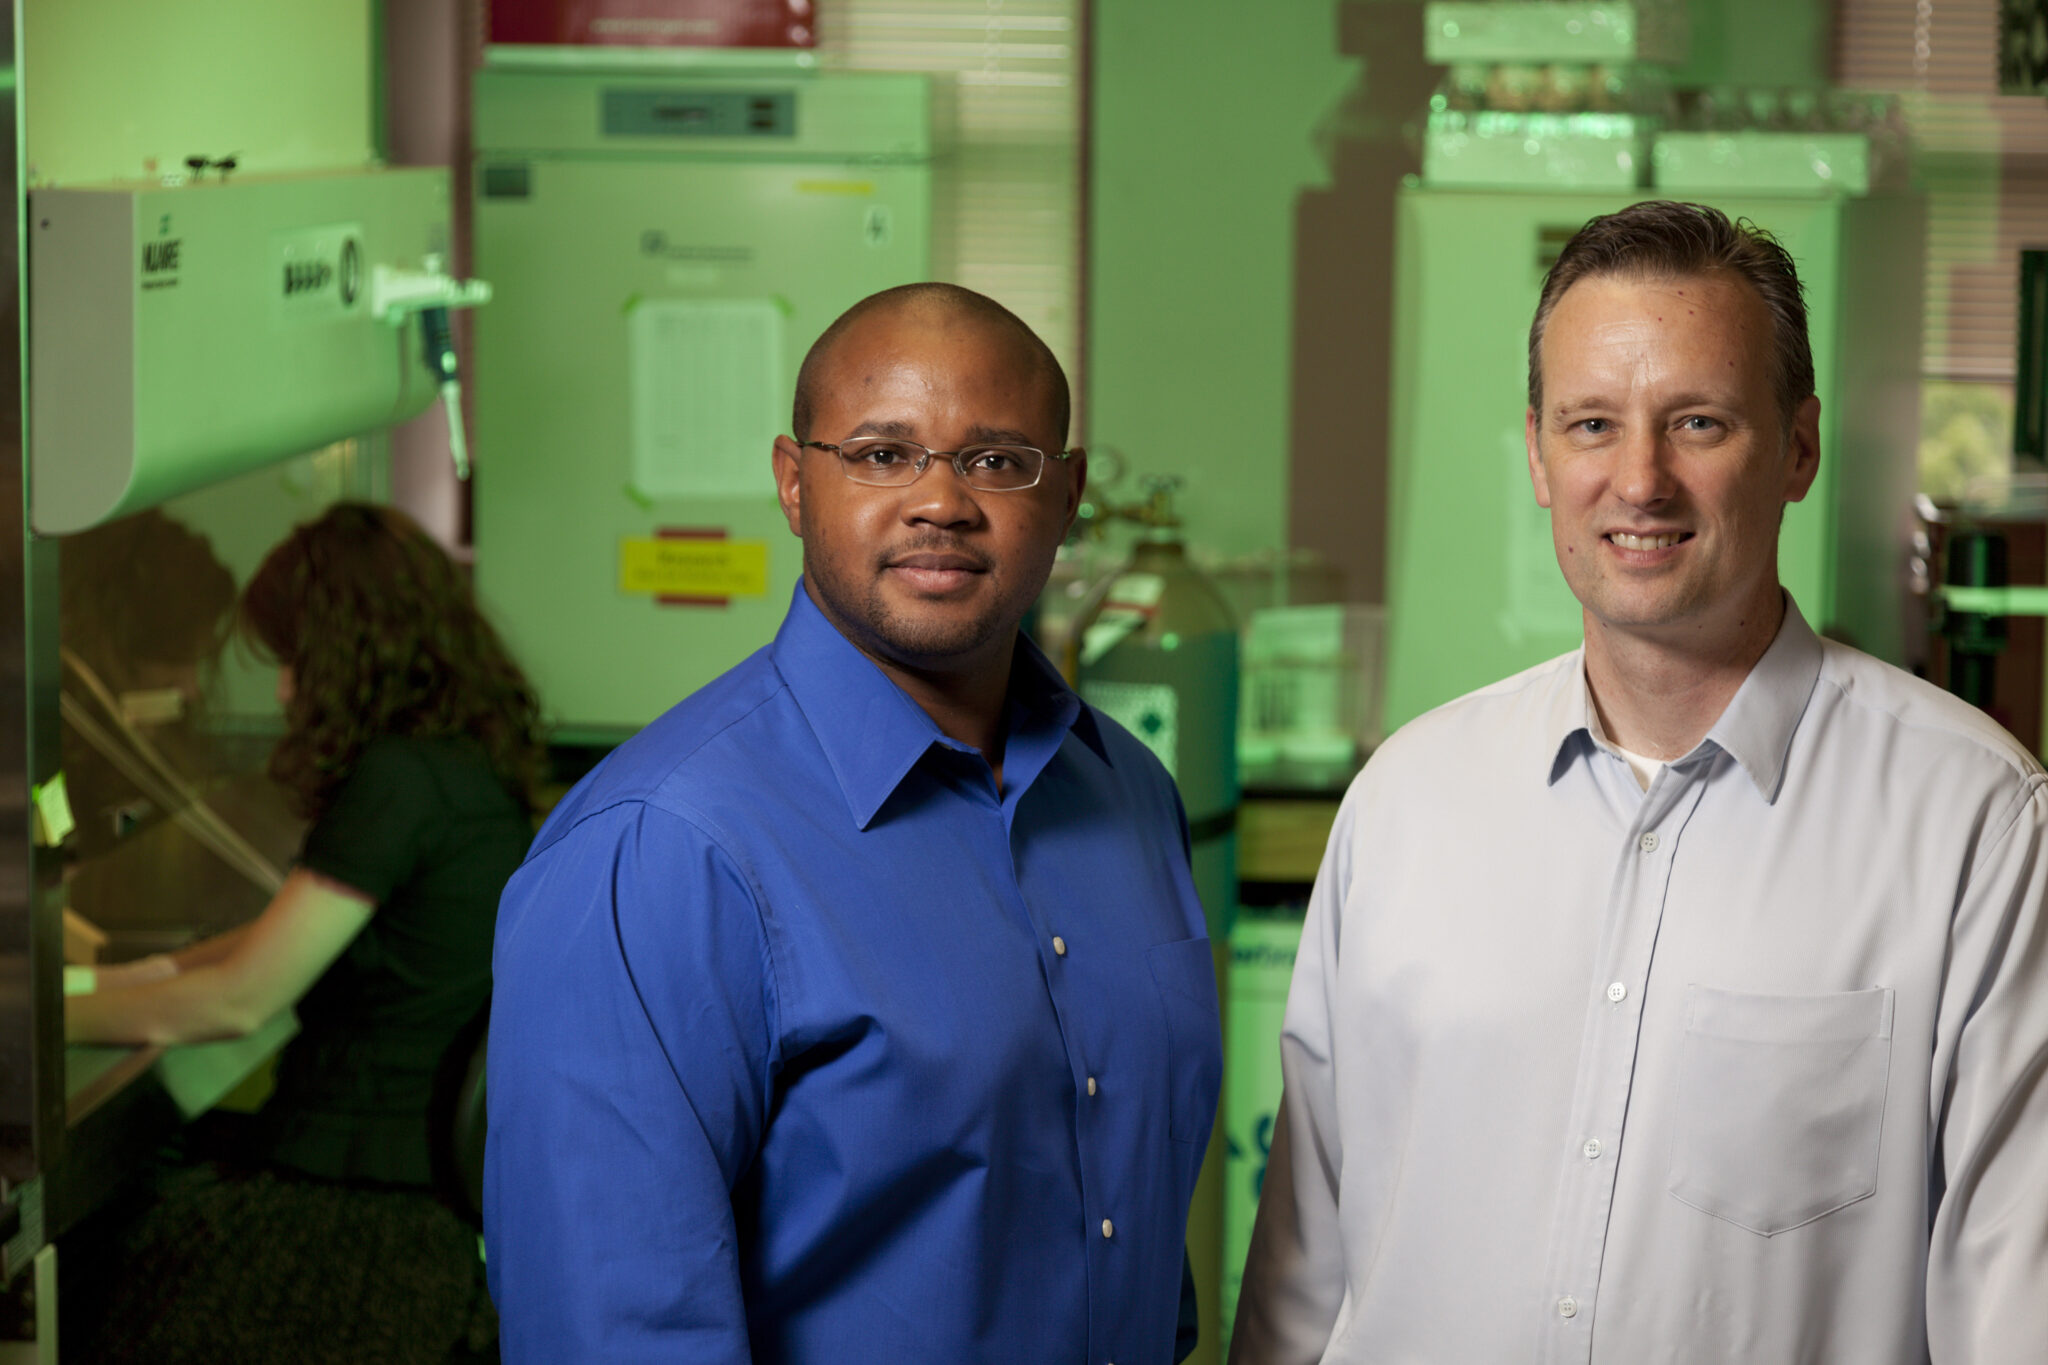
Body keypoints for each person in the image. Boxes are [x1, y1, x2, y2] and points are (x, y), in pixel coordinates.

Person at [1230, 201, 2048, 1362]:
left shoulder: (1974, 825)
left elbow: (2013, 1311)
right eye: (1590, 425)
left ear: (1798, 448)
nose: (1638, 481)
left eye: (1698, 423)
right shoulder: (1405, 804)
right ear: (1535, 453)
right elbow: (1299, 1293)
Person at [487, 283, 1222, 1364]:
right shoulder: (660, 851)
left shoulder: (1123, 794)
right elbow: (616, 1332)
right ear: (793, 484)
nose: (941, 503)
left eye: (997, 460)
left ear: (1063, 498)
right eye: (882, 454)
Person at [62, 501, 545, 1364]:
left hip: (349, 1221)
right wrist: (107, 978)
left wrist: (39, 1025)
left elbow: (243, 995)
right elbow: (266, 939)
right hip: (413, 1196)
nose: (284, 689)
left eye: (292, 659)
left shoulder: (397, 781)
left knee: (99, 1278)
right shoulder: (459, 765)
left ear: (350, 646)